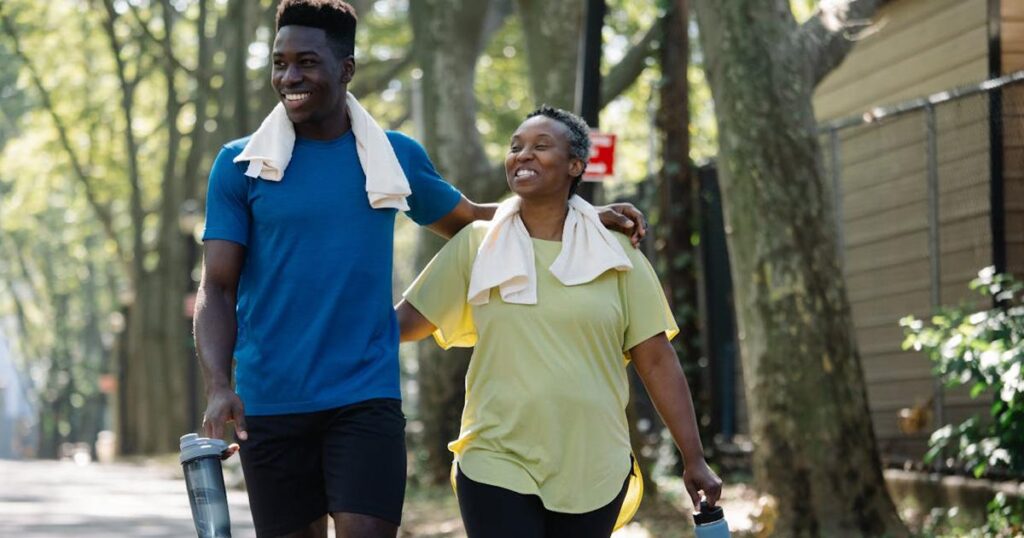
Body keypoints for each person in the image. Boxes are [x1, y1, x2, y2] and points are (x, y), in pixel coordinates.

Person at [194, 1, 646, 537]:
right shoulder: (241, 164)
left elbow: (480, 222)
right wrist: (220, 383)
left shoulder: (393, 156)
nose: (289, 77)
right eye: (280, 62)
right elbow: (217, 288)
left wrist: (581, 214)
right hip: (271, 398)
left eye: (307, 62)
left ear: (345, 69)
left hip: (364, 397)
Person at [396, 106, 722, 538]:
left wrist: (693, 457)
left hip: (594, 464)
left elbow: (657, 361)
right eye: (516, 147)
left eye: (540, 146)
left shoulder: (617, 253)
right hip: (496, 455)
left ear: (575, 166)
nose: (522, 155)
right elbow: (402, 324)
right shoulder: (477, 244)